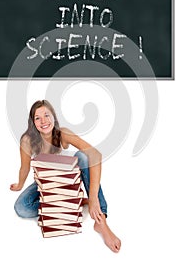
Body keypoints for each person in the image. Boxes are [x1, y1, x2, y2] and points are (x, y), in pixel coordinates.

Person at [10, 99, 121, 253]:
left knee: (83, 156)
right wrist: (20, 184)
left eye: (46, 115)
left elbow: (96, 155)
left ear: (53, 117)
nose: (43, 121)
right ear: (32, 122)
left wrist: (94, 197)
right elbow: (24, 167)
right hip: (47, 182)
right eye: (37, 118)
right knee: (21, 208)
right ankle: (72, 203)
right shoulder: (27, 140)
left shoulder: (63, 133)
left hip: (69, 179)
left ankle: (101, 220)